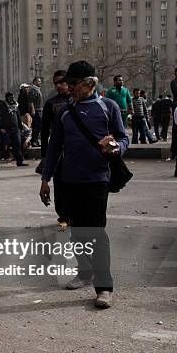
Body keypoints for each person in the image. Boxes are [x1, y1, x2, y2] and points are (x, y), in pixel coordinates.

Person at [40, 60, 129, 309]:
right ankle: (84, 272)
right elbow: (55, 146)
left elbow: (123, 138)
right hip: (69, 181)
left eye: (73, 83)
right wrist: (45, 179)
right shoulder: (65, 112)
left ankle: (104, 287)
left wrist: (116, 148)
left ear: (89, 83)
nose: (68, 88)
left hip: (97, 180)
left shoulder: (108, 107)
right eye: (67, 83)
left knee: (97, 234)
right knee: (77, 233)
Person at [36, 70, 71, 228]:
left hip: (76, 149)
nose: (59, 85)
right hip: (58, 149)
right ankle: (63, 214)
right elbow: (44, 132)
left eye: (62, 81)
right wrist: (45, 156)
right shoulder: (51, 103)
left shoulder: (76, 100)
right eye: (56, 83)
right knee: (59, 182)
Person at [0, 93, 27, 167]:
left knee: (17, 144)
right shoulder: (2, 105)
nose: (11, 99)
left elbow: (18, 117)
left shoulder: (15, 105)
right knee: (3, 144)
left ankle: (19, 161)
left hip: (15, 128)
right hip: (5, 129)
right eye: (10, 97)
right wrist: (0, 128)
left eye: (12, 97)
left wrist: (21, 128)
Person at [29, 77, 44, 147]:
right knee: (37, 126)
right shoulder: (33, 90)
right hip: (37, 111)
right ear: (35, 82)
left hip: (39, 110)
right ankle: (34, 141)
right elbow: (31, 101)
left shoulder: (37, 89)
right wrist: (33, 110)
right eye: (39, 81)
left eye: (40, 81)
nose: (40, 82)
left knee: (38, 126)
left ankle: (35, 140)